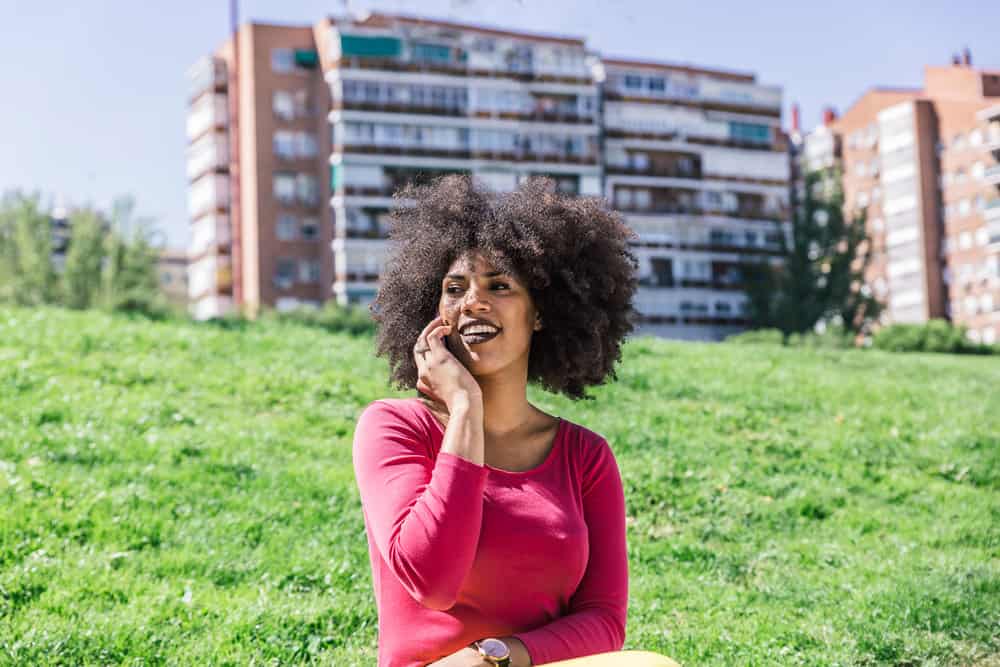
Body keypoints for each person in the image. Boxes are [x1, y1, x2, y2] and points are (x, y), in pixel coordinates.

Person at [352, 176, 677, 667]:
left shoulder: (585, 458)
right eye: (454, 288)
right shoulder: (394, 428)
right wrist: (464, 410)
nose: (472, 303)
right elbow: (432, 583)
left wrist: (495, 658)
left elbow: (604, 620)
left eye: (499, 285)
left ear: (540, 314)